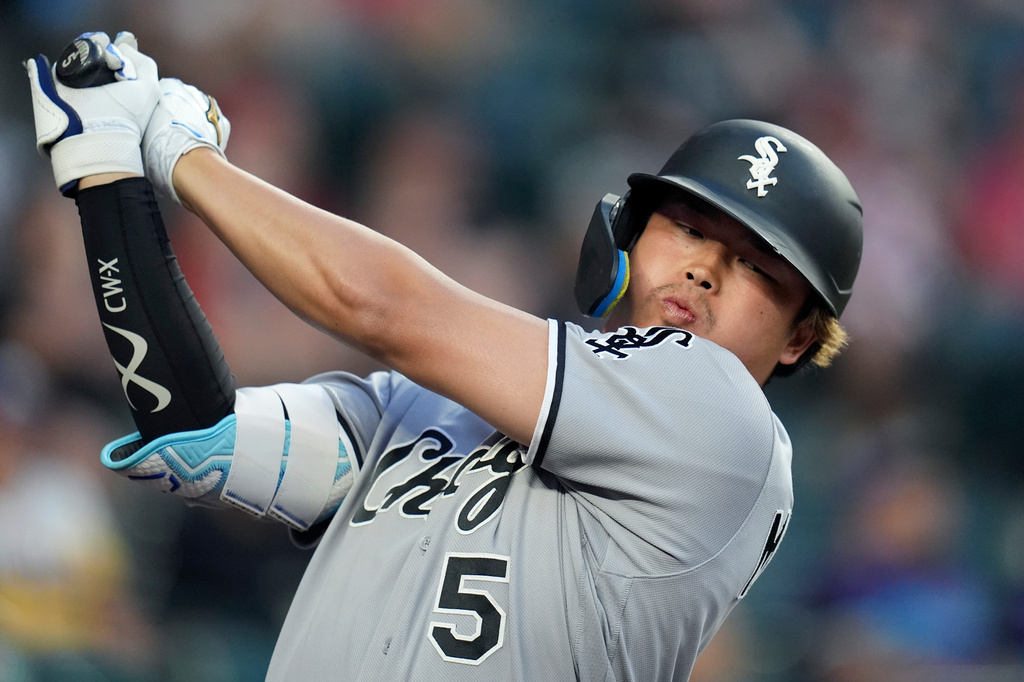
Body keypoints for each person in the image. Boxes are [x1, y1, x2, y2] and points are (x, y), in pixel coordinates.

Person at [26, 31, 862, 681]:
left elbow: (382, 308)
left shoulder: (726, 425)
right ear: (632, 234)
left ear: (798, 336)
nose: (705, 269)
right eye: (689, 227)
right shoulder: (442, 397)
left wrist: (186, 158)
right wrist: (103, 173)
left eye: (759, 267)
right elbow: (197, 433)